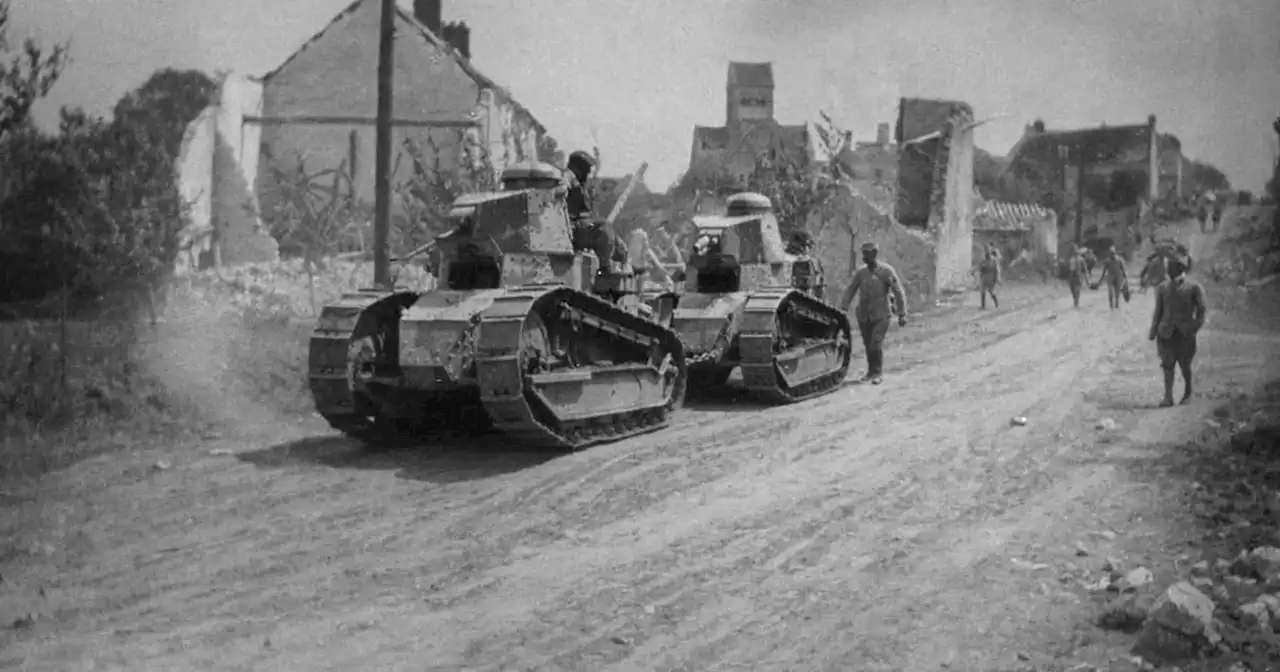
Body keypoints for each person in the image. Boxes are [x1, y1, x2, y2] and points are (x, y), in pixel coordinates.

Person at [839, 241, 908, 385]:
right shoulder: (861, 273)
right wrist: (843, 309)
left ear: (875, 254)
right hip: (864, 316)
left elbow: (898, 292)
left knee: (875, 344)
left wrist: (902, 313)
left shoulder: (886, 271)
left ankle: (877, 373)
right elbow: (850, 290)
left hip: (881, 315)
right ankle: (870, 372)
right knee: (867, 344)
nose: (866, 257)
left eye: (869, 254)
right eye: (864, 254)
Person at [1148, 255, 1207, 407]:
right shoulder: (1162, 288)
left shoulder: (1194, 288)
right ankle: (1168, 397)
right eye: (1169, 268)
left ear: (1180, 269)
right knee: (1167, 365)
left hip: (1184, 334)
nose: (1168, 270)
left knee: (1185, 365)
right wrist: (1153, 331)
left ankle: (1188, 393)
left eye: (1172, 268)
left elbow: (1202, 311)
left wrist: (1194, 327)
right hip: (1166, 332)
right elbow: (1158, 311)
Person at [1096, 246, 1129, 310]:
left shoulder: (1119, 260)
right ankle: (1111, 308)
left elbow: (1123, 270)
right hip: (1111, 276)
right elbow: (1104, 272)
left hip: (1118, 276)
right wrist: (1099, 282)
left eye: (1112, 253)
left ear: (1115, 253)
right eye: (1110, 253)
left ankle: (1116, 308)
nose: (1112, 254)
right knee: (1110, 293)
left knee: (1117, 294)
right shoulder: (1107, 261)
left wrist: (1126, 280)